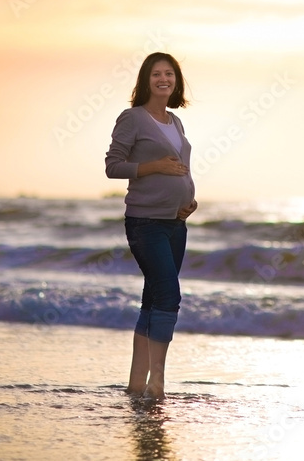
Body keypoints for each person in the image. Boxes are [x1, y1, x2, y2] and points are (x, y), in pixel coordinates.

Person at [105, 52, 198, 399]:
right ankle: (157, 383)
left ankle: (135, 383)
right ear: (146, 80)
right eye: (157, 74)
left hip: (175, 223)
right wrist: (154, 166)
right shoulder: (132, 118)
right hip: (145, 222)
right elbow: (113, 166)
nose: (164, 79)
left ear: (176, 81)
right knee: (169, 296)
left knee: (153, 300)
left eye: (170, 74)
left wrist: (185, 202)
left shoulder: (175, 122)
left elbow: (182, 170)